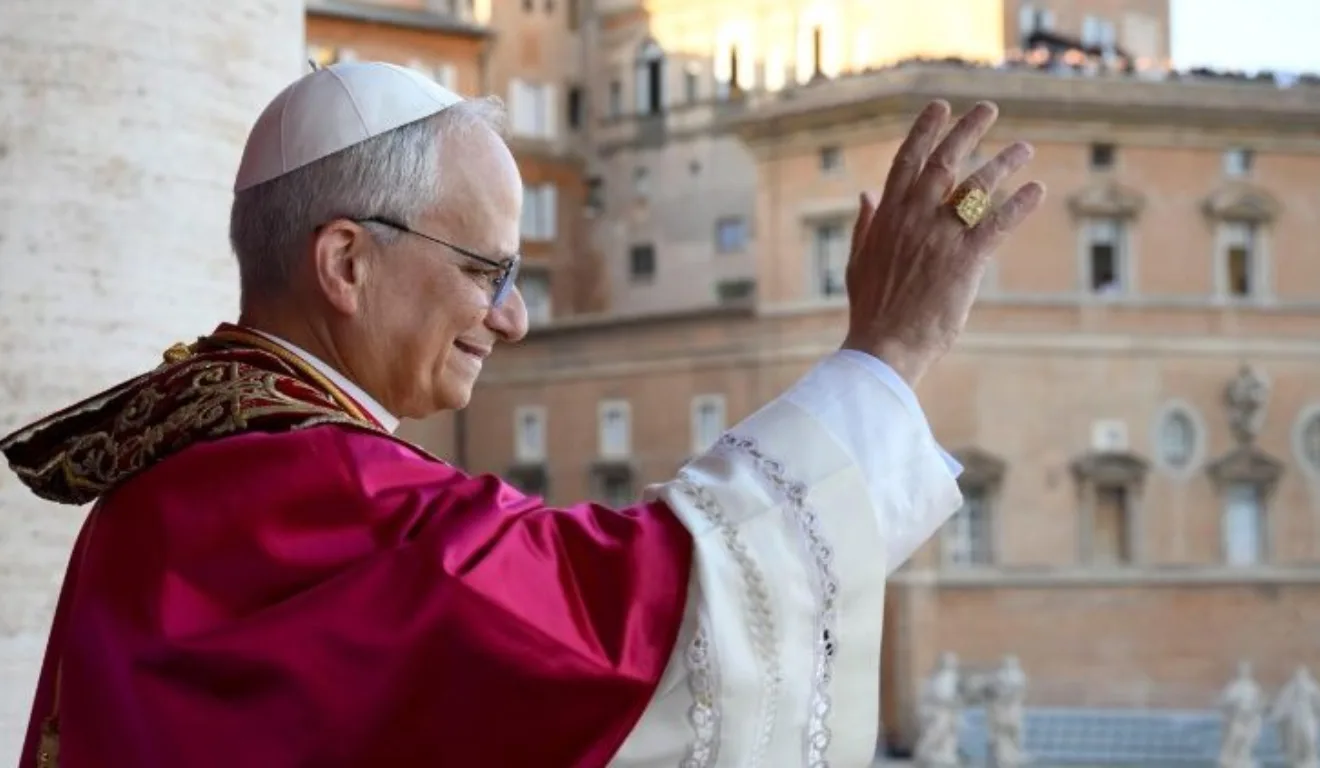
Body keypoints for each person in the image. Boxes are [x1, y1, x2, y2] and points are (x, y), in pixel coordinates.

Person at [0, 62, 1044, 767]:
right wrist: (890, 352)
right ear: (347, 263)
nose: (515, 317)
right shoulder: (319, 492)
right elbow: (631, 620)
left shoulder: (169, 472)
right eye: (486, 270)